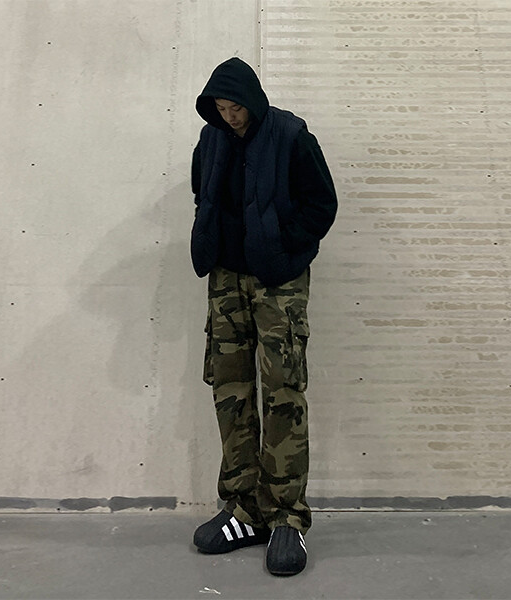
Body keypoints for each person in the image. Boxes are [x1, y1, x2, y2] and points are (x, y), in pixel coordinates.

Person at [189, 57, 337, 576]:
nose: (229, 116)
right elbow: (202, 193)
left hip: (278, 282)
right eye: (220, 108)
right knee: (229, 389)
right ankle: (244, 509)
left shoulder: (291, 136)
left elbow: (321, 205)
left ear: (253, 100)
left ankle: (287, 517)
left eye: (236, 107)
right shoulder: (211, 139)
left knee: (282, 393)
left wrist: (282, 246)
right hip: (225, 280)